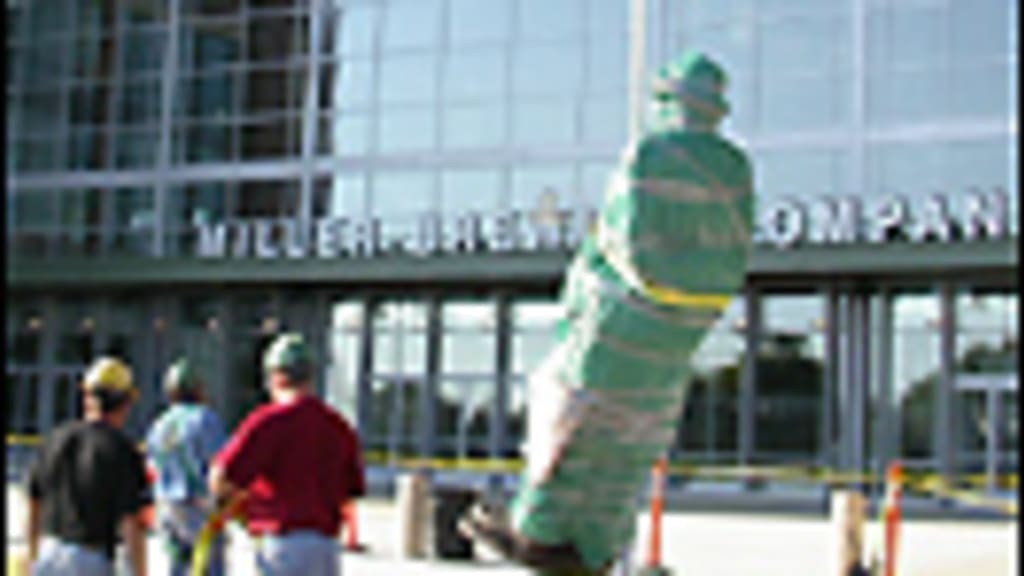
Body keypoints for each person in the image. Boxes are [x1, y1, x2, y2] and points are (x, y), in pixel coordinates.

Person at [459, 50, 755, 575]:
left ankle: (541, 527)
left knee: (573, 412)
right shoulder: (737, 168)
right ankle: (600, 541)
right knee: (634, 433)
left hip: (624, 313)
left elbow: (625, 239)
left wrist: (593, 270)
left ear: (669, 101)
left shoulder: (650, 152)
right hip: (684, 328)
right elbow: (737, 250)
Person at [208, 333, 366, 576]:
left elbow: (222, 477)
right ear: (311, 376)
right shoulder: (339, 426)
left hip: (282, 544)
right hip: (325, 548)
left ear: (275, 377)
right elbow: (351, 490)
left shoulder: (268, 421)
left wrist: (237, 506)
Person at [24, 356, 150, 576]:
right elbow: (131, 522)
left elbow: (34, 501)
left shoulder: (56, 438)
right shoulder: (122, 450)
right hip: (90, 559)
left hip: (48, 554)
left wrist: (31, 556)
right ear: (125, 404)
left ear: (87, 397)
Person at [145, 358, 228, 576]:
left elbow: (153, 465)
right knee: (208, 567)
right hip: (198, 505)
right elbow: (219, 462)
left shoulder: (159, 424)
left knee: (177, 567)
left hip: (167, 506)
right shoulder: (204, 419)